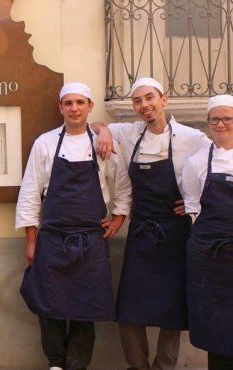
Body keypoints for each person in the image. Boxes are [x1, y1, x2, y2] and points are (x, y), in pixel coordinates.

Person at [93, 77, 211, 370]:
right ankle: (138, 366)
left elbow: (218, 163)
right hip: (142, 232)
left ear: (164, 99)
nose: (144, 105)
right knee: (129, 308)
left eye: (150, 98)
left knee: (172, 308)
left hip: (176, 233)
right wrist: (105, 130)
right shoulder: (129, 133)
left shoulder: (192, 138)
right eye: (137, 101)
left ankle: (163, 367)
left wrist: (196, 202)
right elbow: (94, 125)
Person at [16, 82, 131, 370]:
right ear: (60, 108)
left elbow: (123, 186)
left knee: (86, 305)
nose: (74, 108)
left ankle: (77, 363)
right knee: (48, 304)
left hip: (91, 240)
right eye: (68, 103)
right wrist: (31, 240)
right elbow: (30, 191)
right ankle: (55, 361)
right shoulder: (45, 143)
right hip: (52, 238)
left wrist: (118, 219)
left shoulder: (103, 142)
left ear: (90, 106)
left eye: (80, 102)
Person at [182, 95, 233, 370]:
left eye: (227, 118)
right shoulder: (197, 162)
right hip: (210, 260)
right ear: (208, 123)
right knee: (216, 325)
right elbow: (192, 207)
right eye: (215, 119)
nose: (221, 124)